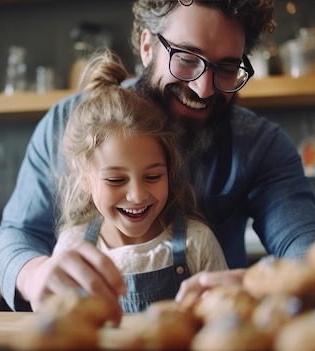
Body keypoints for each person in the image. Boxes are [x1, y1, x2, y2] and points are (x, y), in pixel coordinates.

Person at [0, 0, 315, 321]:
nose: (204, 89)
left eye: (227, 68)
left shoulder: (262, 146)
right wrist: (34, 274)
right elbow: (18, 233)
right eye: (186, 58)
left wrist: (259, 289)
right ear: (146, 46)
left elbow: (308, 245)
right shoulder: (68, 124)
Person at [52, 50, 228, 314]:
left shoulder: (198, 243)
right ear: (85, 178)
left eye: (153, 176)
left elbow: (225, 324)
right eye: (115, 179)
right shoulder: (72, 248)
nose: (137, 195)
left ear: (170, 170)